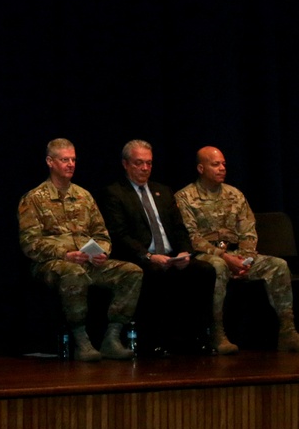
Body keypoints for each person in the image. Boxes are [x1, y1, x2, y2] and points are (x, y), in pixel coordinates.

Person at [18, 138, 143, 362]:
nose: (70, 164)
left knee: (132, 271)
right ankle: (81, 340)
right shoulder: (34, 199)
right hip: (52, 264)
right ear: (50, 162)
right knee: (72, 273)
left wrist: (101, 252)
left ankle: (112, 337)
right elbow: (30, 243)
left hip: (87, 261)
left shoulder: (84, 196)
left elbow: (102, 233)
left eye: (73, 159)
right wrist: (65, 254)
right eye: (64, 159)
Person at [175, 146, 299, 353]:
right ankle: (217, 334)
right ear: (200, 168)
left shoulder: (235, 195)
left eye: (223, 164)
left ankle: (287, 331)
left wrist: (245, 259)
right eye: (215, 164)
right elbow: (192, 238)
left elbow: (248, 231)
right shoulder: (185, 197)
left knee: (278, 266)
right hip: (208, 256)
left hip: (238, 255)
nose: (222, 168)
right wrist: (225, 258)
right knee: (217, 268)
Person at [99, 140, 216, 356]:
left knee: (204, 270)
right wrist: (148, 256)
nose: (145, 168)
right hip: (142, 258)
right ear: (125, 164)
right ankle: (157, 340)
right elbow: (119, 235)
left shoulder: (163, 191)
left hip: (171, 255)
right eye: (139, 163)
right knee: (154, 273)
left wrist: (184, 252)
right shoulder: (114, 193)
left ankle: (197, 337)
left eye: (149, 163)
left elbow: (180, 228)